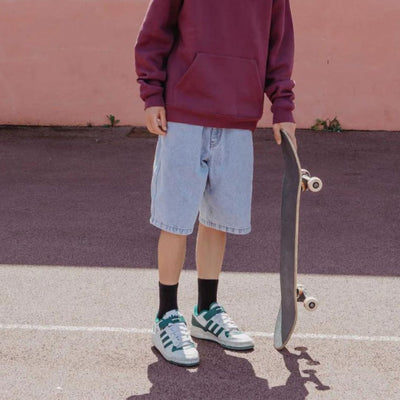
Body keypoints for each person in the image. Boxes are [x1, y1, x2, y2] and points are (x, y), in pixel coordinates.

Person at [134, 0, 296, 367]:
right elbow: (154, 32)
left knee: (218, 220)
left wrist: (283, 108)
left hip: (239, 115)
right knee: (175, 220)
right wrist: (151, 94)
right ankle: (166, 316)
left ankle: (206, 310)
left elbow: (279, 44)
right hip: (183, 112)